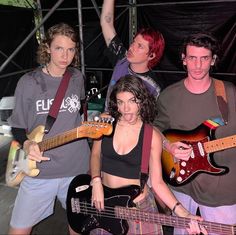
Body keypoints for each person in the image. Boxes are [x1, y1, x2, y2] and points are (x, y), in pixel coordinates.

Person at [89, 74, 207, 235]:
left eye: (132, 101)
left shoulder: (151, 136)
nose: (126, 109)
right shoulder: (106, 122)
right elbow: (95, 154)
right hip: (105, 201)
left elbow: (157, 183)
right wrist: (96, 182)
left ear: (142, 101)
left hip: (138, 207)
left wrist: (183, 212)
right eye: (121, 102)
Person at [8, 22, 90, 235]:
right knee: (18, 230)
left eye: (71, 49)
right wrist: (27, 143)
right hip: (40, 172)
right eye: (59, 48)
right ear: (47, 48)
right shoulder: (29, 82)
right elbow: (17, 125)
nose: (66, 55)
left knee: (79, 229)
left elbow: (77, 112)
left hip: (76, 168)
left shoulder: (77, 78)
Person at [154, 32, 236, 234]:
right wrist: (168, 145)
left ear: (213, 60)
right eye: (192, 58)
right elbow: (154, 128)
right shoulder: (168, 96)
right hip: (181, 186)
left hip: (222, 189)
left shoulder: (229, 92)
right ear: (183, 59)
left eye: (204, 58)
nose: (198, 65)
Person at [100, 0, 165, 110]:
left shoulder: (153, 87)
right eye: (133, 42)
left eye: (140, 46)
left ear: (151, 55)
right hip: (108, 125)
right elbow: (106, 22)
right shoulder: (121, 59)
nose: (132, 47)